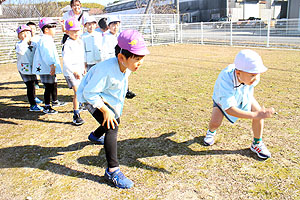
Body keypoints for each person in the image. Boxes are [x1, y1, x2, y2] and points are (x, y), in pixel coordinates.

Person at [77, 29, 150, 189]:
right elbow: (89, 93)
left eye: (142, 58)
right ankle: (112, 171)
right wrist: (105, 110)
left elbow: (120, 82)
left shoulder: (126, 67)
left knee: (114, 119)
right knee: (112, 125)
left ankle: (95, 136)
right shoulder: (105, 70)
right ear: (121, 57)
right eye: (137, 58)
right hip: (91, 97)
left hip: (102, 95)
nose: (140, 62)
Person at [203, 49, 275, 159]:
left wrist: (257, 114)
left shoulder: (250, 76)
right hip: (221, 100)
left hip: (243, 95)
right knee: (215, 122)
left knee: (258, 112)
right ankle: (211, 132)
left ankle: (256, 144)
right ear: (238, 73)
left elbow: (248, 89)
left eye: (257, 74)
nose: (255, 78)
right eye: (252, 75)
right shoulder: (225, 79)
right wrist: (255, 115)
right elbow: (229, 108)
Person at [33, 17, 67, 114]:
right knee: (48, 87)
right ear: (46, 29)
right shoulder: (45, 40)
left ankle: (53, 102)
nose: (55, 30)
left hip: (48, 67)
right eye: (53, 28)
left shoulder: (47, 39)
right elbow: (47, 54)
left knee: (52, 85)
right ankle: (47, 106)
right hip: (47, 68)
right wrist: (51, 65)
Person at [102, 15, 136, 99]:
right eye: (113, 25)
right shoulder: (106, 37)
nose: (115, 27)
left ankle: (126, 91)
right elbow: (104, 51)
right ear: (108, 26)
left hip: (122, 59)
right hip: (112, 60)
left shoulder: (121, 35)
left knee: (125, 75)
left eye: (117, 25)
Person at [62, 18, 85, 125]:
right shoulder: (67, 44)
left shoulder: (80, 41)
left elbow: (81, 56)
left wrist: (83, 67)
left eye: (77, 30)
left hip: (79, 70)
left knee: (80, 91)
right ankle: (76, 115)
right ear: (67, 32)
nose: (76, 33)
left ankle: (80, 105)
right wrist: (74, 71)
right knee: (77, 91)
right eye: (73, 31)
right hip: (70, 72)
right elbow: (66, 61)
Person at [15, 24, 43, 112]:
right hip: (24, 69)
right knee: (30, 86)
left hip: (32, 68)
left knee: (34, 84)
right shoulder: (19, 45)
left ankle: (34, 97)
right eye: (22, 33)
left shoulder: (34, 43)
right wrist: (25, 41)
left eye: (28, 32)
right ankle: (33, 104)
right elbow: (21, 52)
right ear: (19, 36)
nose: (26, 35)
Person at [26, 21, 42, 90]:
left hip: (38, 57)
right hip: (30, 58)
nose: (32, 31)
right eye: (30, 29)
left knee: (41, 69)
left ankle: (44, 81)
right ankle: (35, 83)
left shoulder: (38, 38)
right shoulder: (25, 39)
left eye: (34, 29)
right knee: (32, 71)